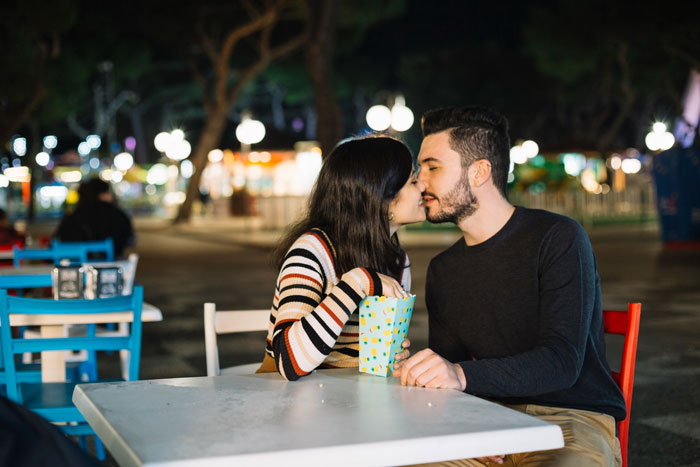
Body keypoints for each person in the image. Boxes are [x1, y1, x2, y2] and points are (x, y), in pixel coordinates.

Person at [395, 106, 626, 466]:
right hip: (488, 420)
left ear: (480, 172)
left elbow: (562, 362)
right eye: (419, 168)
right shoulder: (444, 270)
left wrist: (458, 374)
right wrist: (464, 418)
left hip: (571, 419)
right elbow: (451, 377)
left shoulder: (558, 238)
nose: (420, 181)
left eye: (432, 166)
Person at [257, 136, 426, 379]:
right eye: (412, 180)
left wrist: (391, 358)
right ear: (381, 197)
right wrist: (358, 283)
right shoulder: (312, 250)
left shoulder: (398, 261)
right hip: (291, 403)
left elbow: (367, 361)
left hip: (353, 402)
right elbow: (288, 362)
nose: (422, 187)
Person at [54, 178, 135, 258]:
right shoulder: (117, 215)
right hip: (110, 262)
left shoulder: (74, 215)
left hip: (76, 263)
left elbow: (61, 239)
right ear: (103, 194)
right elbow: (129, 241)